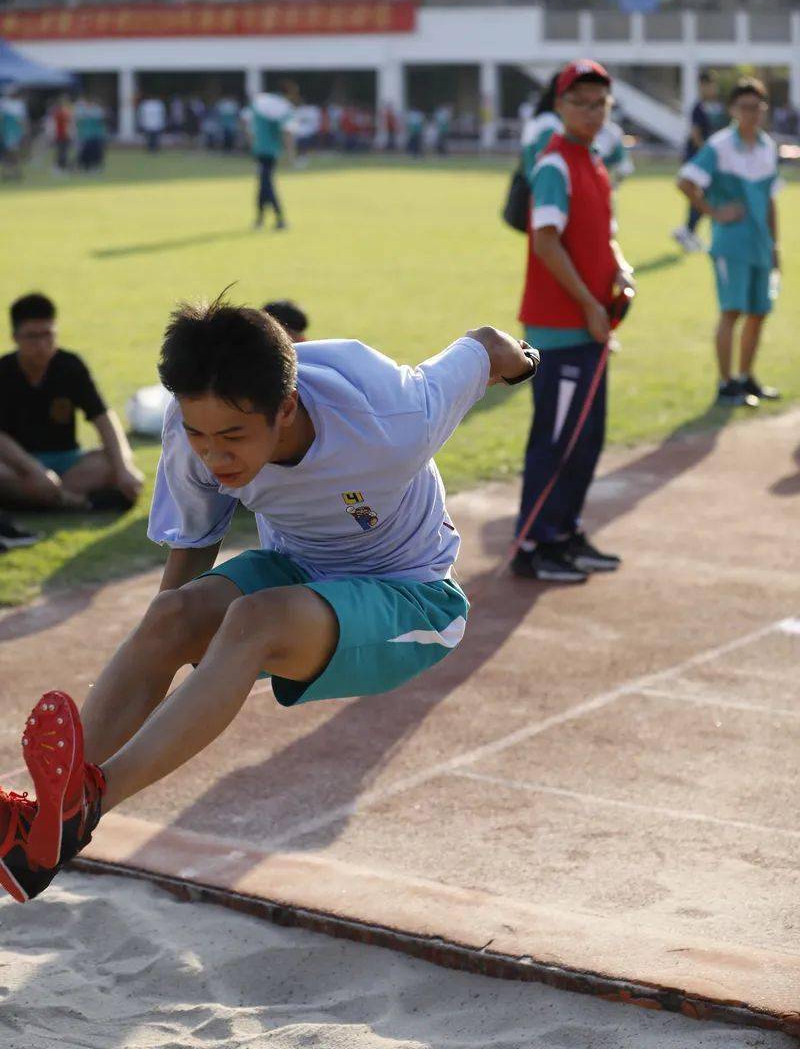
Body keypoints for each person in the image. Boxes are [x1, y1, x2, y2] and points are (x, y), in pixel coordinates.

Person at [0, 297, 537, 903]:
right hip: (297, 567)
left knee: (253, 620)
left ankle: (86, 805)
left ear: (286, 408)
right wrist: (172, 639)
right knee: (172, 611)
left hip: (410, 595)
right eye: (200, 435)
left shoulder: (393, 414)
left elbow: (487, 344)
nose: (215, 455)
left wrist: (527, 363)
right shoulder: (192, 427)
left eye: (233, 436)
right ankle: (42, 831)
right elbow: (193, 549)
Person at [514, 60, 634, 584]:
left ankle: (563, 533)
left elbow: (603, 236)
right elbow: (544, 240)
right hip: (560, 331)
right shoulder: (555, 164)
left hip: (591, 328)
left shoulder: (594, 161)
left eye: (600, 103)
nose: (592, 111)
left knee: (587, 440)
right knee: (556, 439)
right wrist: (588, 303)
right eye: (581, 102)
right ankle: (533, 543)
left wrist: (622, 270)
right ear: (560, 106)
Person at [677, 77, 782, 407]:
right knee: (732, 312)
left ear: (764, 110)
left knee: (758, 312)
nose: (752, 113)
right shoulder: (720, 146)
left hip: (760, 244)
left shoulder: (767, 147)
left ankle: (745, 377)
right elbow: (686, 181)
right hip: (731, 245)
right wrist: (714, 212)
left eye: (758, 107)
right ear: (734, 110)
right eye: (745, 107)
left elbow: (770, 200)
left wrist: (775, 245)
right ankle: (725, 385)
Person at [0, 293, 144, 512]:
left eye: (48, 335)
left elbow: (103, 418)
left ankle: (41, 499)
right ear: (15, 337)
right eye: (32, 337)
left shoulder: (70, 366)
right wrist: (33, 470)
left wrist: (124, 467)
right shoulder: (4, 371)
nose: (41, 344)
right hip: (19, 466)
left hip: (68, 465)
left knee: (110, 463)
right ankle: (73, 502)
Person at [672, 71, 728, 254]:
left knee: (701, 196)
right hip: (697, 159)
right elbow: (695, 134)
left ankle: (689, 231)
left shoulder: (711, 107)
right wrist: (708, 154)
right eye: (709, 85)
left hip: (702, 158)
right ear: (702, 86)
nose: (712, 89)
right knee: (699, 195)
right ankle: (687, 231)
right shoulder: (698, 108)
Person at [243, 91, 294, 231]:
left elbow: (247, 127)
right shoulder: (281, 110)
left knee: (266, 186)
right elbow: (287, 133)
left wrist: (251, 144)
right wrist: (289, 154)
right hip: (271, 153)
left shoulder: (258, 108)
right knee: (264, 186)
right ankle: (264, 219)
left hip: (262, 152)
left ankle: (275, 219)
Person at [0, 87, 28, 181]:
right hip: (7, 132)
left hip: (15, 132)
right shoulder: (4, 103)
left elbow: (22, 120)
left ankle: (15, 172)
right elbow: (2, 119)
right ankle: (7, 173)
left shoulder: (19, 105)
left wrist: (24, 130)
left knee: (14, 152)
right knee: (8, 153)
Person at [74, 97, 107, 172]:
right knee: (85, 153)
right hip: (86, 136)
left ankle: (95, 167)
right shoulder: (83, 113)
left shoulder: (96, 112)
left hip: (95, 136)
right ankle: (86, 167)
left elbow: (101, 121)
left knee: (96, 153)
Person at [50, 93, 73, 173]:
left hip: (65, 135)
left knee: (64, 152)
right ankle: (57, 167)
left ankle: (63, 167)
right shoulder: (58, 113)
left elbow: (69, 124)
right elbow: (53, 124)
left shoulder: (66, 112)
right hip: (60, 134)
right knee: (60, 152)